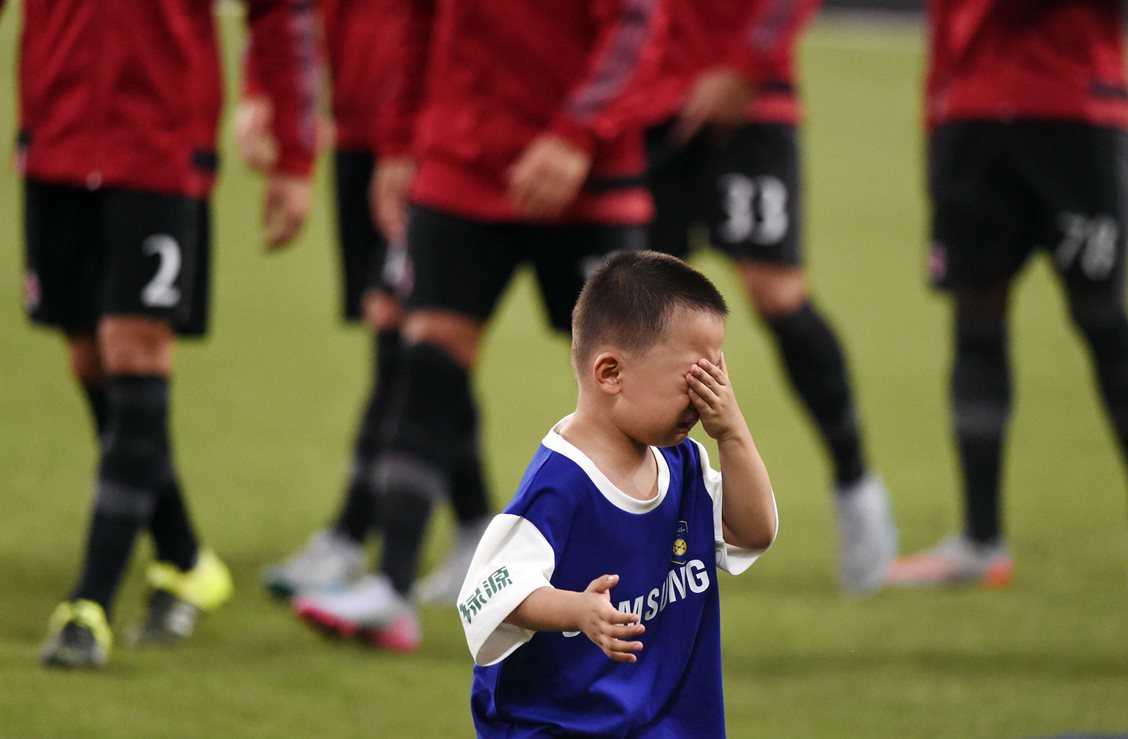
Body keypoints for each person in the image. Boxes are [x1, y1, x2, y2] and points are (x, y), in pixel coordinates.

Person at [289, 0, 664, 651]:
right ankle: (391, 587)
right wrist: (402, 139)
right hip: (463, 158)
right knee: (429, 359)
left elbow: (638, 23)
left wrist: (577, 133)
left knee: (630, 382)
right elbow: (419, 22)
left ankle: (644, 596)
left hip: (588, 170)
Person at [10, 0, 318, 668]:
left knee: (134, 350)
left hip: (159, 146)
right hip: (56, 142)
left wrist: (294, 154)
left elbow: (279, 13)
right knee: (89, 358)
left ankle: (88, 605)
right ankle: (183, 557)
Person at [888, 0, 1128, 595]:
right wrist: (935, 119)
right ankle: (980, 538)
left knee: (1099, 314)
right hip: (970, 118)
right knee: (975, 319)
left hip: (1074, 111)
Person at [235, 0, 493, 605]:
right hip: (357, 125)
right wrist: (263, 87)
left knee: (407, 329)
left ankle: (354, 532)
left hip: (426, 132)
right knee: (406, 333)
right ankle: (474, 528)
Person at [458, 251, 776, 736]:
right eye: (693, 378)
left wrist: (731, 432)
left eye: (716, 378)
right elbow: (486, 597)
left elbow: (754, 530)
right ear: (611, 373)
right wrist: (576, 610)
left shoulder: (683, 463)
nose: (706, 398)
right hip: (561, 725)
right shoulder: (559, 485)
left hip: (667, 722)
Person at [639, 0, 896, 593]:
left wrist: (744, 65)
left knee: (776, 295)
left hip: (747, 104)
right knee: (637, 311)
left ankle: (856, 488)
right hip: (651, 101)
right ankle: (635, 516)